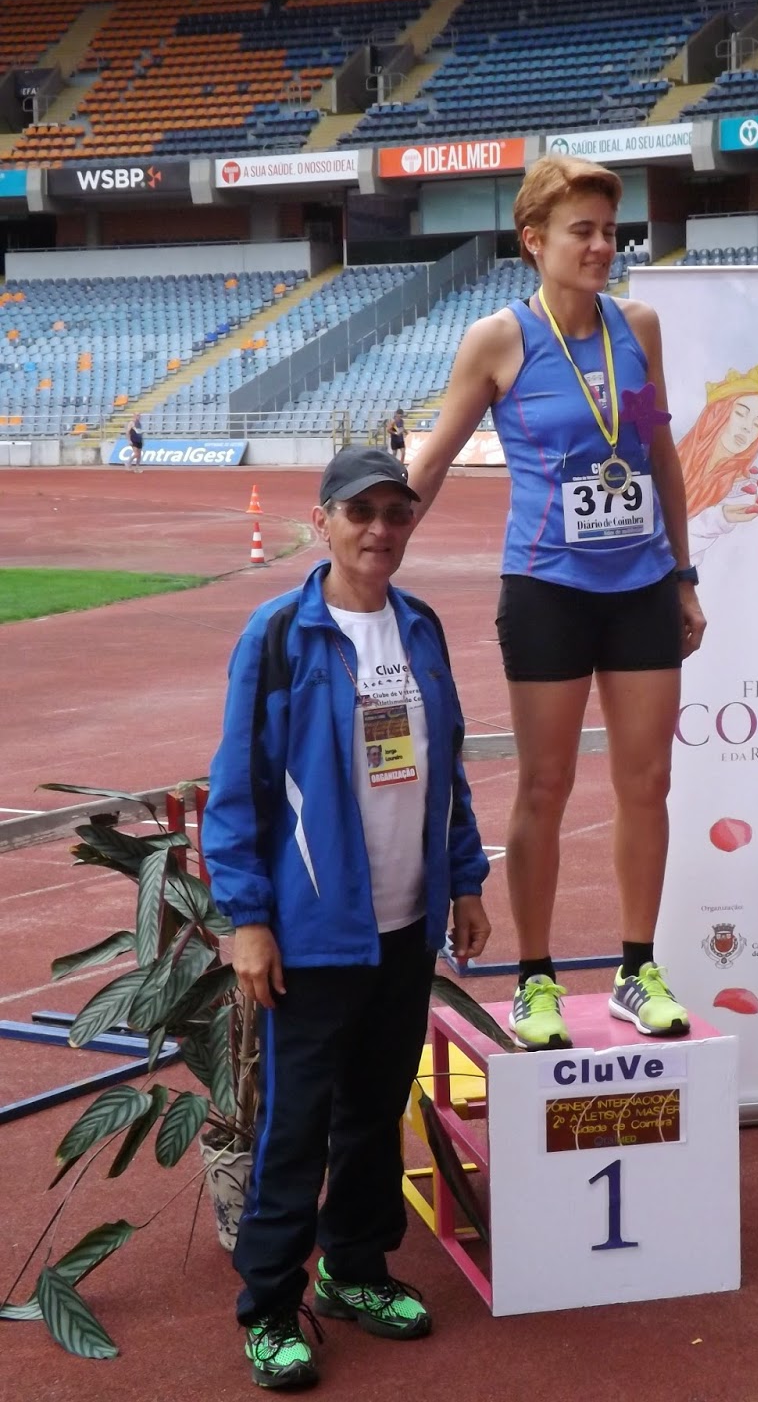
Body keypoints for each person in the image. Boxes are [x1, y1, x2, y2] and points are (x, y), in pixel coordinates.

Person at [202, 445, 491, 1392]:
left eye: (396, 513)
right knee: (296, 1124)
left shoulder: (421, 627)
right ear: (323, 519)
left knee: (373, 1111)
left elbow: (446, 767)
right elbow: (238, 788)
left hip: (405, 926)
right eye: (360, 512)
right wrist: (248, 918)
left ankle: (354, 1270)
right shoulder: (281, 635)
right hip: (315, 932)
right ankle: (268, 1308)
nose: (379, 530)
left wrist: (464, 881)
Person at [406, 153, 705, 1053]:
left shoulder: (638, 327)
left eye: (611, 231)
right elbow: (436, 457)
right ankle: (534, 977)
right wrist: (372, 545)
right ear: (534, 240)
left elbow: (659, 456)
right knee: (544, 783)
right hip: (547, 589)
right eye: (584, 231)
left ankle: (636, 968)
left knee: (647, 781)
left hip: (641, 584)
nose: (603, 246)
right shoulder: (498, 341)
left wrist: (684, 575)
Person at [677, 365, 758, 600]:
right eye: (741, 413)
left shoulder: (755, 495)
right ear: (716, 414)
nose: (747, 427)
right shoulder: (669, 472)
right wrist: (719, 518)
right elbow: (660, 553)